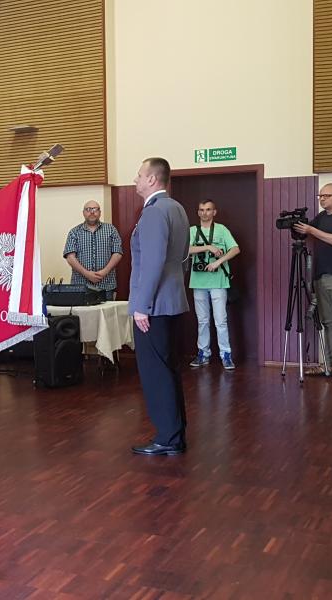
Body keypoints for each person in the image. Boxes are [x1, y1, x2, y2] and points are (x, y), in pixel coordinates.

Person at [129, 157, 190, 456]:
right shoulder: (176, 208)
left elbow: (152, 263)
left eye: (140, 175)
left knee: (156, 372)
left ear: (152, 179)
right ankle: (175, 434)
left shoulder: (153, 212)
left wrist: (142, 305)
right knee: (168, 368)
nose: (136, 180)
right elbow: (182, 256)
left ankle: (167, 437)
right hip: (172, 299)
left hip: (152, 305)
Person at [294, 183, 332, 382]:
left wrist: (312, 230)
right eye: (320, 195)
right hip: (321, 277)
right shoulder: (321, 218)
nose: (322, 199)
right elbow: (305, 232)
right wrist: (297, 226)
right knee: (329, 323)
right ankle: (329, 364)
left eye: (326, 196)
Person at [188, 199, 240, 370]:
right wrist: (207, 247)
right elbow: (184, 249)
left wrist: (218, 262)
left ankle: (226, 354)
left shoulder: (221, 229)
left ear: (214, 212)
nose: (205, 213)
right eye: (201, 209)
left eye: (208, 209)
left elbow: (235, 249)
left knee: (220, 320)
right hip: (198, 280)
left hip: (218, 280)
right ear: (198, 212)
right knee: (202, 320)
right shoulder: (192, 231)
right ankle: (203, 353)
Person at [63, 200, 123, 298]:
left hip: (106, 286)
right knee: (81, 313)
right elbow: (70, 257)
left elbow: (118, 253)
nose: (92, 212)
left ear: (100, 212)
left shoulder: (111, 230)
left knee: (107, 313)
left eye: (95, 209)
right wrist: (86, 274)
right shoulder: (74, 232)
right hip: (80, 286)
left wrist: (104, 272)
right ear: (83, 213)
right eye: (88, 209)